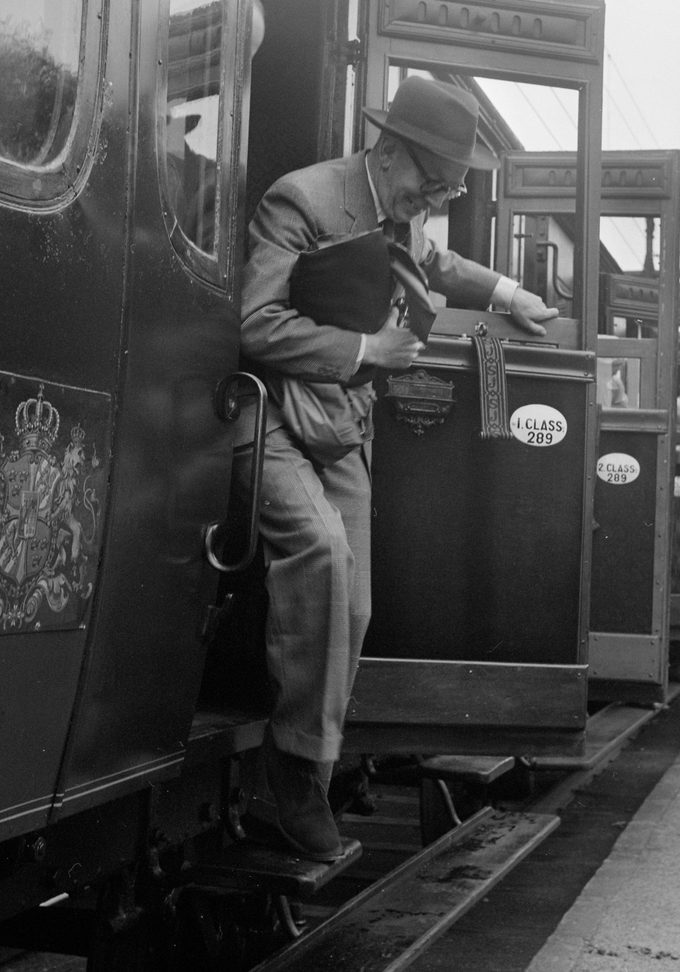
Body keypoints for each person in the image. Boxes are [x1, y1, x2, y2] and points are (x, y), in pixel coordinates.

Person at [236, 76, 558, 859]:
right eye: (433, 181)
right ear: (387, 152)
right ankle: (293, 779)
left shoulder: (397, 212)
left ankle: (309, 756)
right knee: (322, 554)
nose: (438, 198)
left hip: (338, 425)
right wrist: (367, 352)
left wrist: (512, 292)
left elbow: (439, 263)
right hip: (273, 413)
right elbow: (255, 323)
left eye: (449, 187)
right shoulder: (302, 200)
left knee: (356, 604)